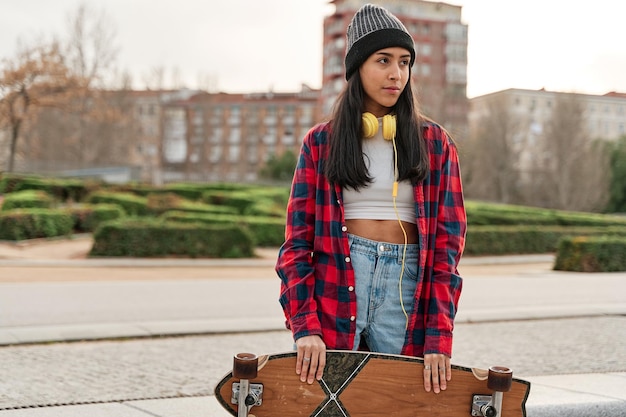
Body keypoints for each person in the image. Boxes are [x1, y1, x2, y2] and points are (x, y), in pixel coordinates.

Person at [275, 3, 466, 394]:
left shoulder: (435, 144)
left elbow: (448, 249)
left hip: (406, 284)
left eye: (404, 62)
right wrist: (305, 326)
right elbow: (296, 246)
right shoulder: (322, 143)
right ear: (357, 66)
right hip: (341, 279)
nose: (396, 74)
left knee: (398, 400)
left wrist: (438, 337)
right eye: (383, 60)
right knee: (331, 402)